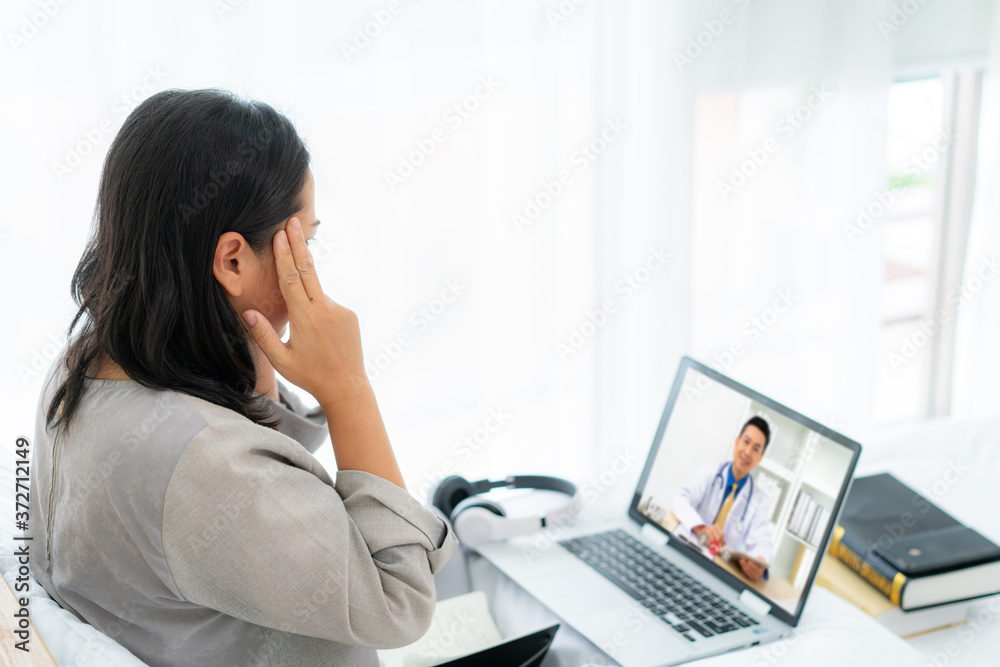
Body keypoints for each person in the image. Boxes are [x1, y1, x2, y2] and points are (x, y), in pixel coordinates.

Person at [28, 88, 458, 666]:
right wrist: (349, 389)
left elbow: (261, 466)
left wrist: (247, 337)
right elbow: (400, 599)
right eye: (304, 241)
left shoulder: (76, 372)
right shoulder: (208, 464)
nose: (311, 264)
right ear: (232, 260)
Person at [672, 416, 774, 582]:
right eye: (746, 442)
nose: (747, 452)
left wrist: (759, 564)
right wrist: (700, 528)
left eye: (756, 449)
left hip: (719, 574)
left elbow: (763, 543)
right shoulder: (711, 471)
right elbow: (681, 498)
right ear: (737, 443)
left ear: (759, 459)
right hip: (688, 556)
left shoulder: (758, 500)